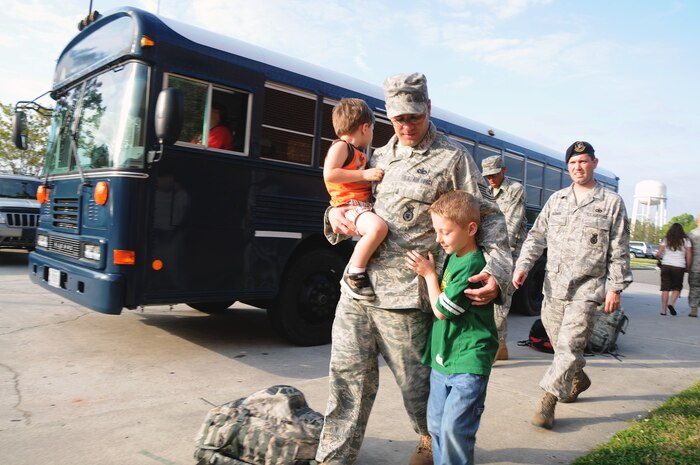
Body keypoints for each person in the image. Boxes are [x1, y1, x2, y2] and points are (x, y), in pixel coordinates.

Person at [315, 73, 511, 465]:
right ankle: (332, 458)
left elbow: (489, 217)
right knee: (345, 383)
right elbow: (350, 199)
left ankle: (431, 438)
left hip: (406, 300)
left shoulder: (452, 158)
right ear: (387, 114)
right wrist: (334, 216)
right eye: (399, 118)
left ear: (429, 109)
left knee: (417, 389)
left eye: (414, 117)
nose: (406, 126)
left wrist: (498, 274)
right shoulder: (376, 156)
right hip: (358, 290)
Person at [512, 141, 632, 430]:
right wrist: (523, 265)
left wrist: (615, 287)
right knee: (561, 345)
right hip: (553, 287)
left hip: (587, 289)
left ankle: (548, 400)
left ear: (594, 163)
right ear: (568, 167)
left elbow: (619, 248)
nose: (578, 167)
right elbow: (536, 236)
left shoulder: (611, 203)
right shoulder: (557, 200)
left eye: (584, 161)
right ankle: (578, 378)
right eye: (573, 163)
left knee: (569, 345)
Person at [405, 190, 498, 465]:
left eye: (445, 232)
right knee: (435, 426)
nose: (438, 239)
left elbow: (442, 310)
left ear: (471, 229)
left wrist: (429, 275)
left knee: (455, 429)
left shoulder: (473, 264)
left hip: (468, 360)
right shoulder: (455, 255)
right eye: (436, 231)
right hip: (443, 359)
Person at [323, 98, 388, 300]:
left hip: (360, 205)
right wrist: (364, 175)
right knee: (377, 229)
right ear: (365, 127)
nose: (372, 134)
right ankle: (354, 273)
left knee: (376, 229)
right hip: (349, 205)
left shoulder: (358, 153)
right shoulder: (341, 147)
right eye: (373, 130)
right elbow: (330, 174)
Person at [481, 155, 527, 361]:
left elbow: (511, 224)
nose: (490, 179)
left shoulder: (515, 190)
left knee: (501, 298)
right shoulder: (485, 191)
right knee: (489, 299)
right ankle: (498, 345)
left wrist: (496, 253)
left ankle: (497, 346)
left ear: (503, 171)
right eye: (487, 175)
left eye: (493, 174)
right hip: (489, 249)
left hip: (509, 251)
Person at [656, 222, 692, 316]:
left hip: (666, 265)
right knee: (677, 287)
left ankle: (664, 311)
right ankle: (671, 304)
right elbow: (689, 256)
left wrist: (659, 260)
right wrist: (688, 266)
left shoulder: (666, 239)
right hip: (679, 266)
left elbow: (658, 253)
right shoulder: (686, 241)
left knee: (665, 289)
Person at [688, 215, 700, 317]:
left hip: (694, 266)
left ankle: (693, 309)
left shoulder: (691, 234)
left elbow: (688, 251)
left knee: (694, 287)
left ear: (697, 221)